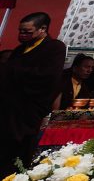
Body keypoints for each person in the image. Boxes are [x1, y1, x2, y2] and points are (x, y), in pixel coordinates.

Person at [0, 13, 67, 169]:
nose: (21, 35)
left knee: (16, 159)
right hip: (7, 110)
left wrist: (11, 70)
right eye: (20, 31)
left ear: (42, 29)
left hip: (27, 112)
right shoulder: (19, 50)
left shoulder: (54, 47)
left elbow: (48, 77)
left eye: (27, 32)